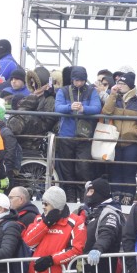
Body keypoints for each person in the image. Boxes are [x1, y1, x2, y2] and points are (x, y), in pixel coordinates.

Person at [55, 65, 101, 201]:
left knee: (83, 169)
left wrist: (83, 109)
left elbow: (97, 107)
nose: (79, 83)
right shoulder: (63, 91)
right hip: (66, 136)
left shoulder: (92, 91)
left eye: (81, 81)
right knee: (67, 170)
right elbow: (57, 107)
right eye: (76, 80)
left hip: (84, 137)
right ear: (72, 79)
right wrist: (70, 107)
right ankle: (70, 199)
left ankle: (83, 199)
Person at [103, 70, 137, 203]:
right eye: (118, 82)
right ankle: (116, 196)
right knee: (115, 170)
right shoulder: (115, 99)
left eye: (122, 83)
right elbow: (106, 111)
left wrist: (135, 132)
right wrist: (112, 94)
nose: (119, 85)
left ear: (130, 85)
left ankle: (128, 196)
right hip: (115, 141)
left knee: (129, 171)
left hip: (132, 142)